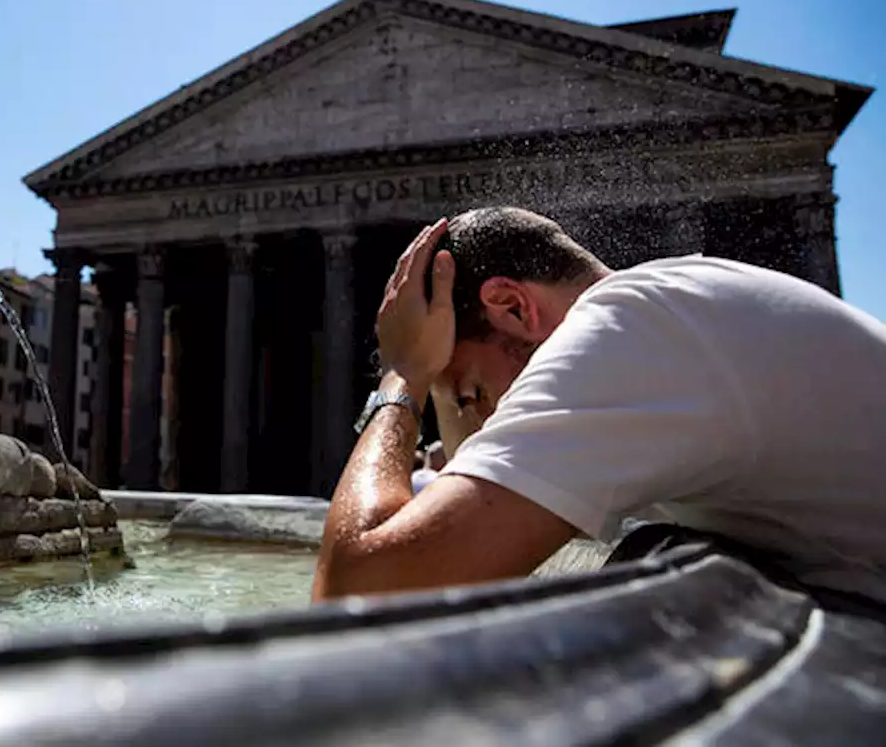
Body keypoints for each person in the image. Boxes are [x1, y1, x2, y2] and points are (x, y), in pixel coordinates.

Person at [313, 207, 886, 604]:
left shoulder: (625, 332)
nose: (484, 417)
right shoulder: (675, 309)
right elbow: (471, 495)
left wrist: (406, 374)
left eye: (474, 393)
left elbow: (357, 591)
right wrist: (449, 386)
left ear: (512, 307)